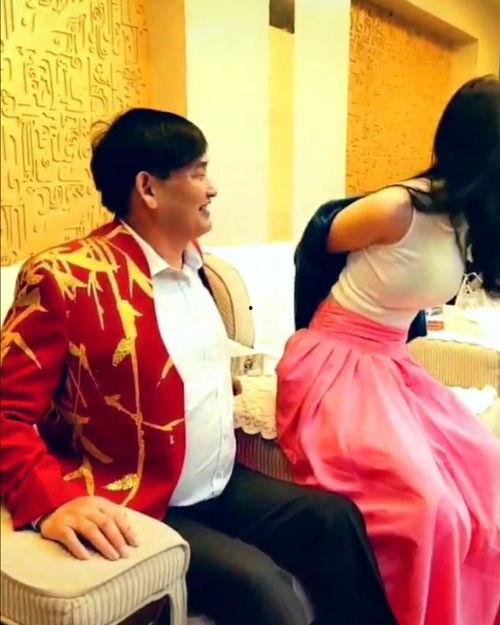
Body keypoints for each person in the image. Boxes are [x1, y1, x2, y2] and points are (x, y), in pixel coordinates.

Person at [0, 108, 398, 625]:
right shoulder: (67, 278)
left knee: (335, 520)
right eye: (198, 172)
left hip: (217, 484)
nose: (212, 189)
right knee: (268, 593)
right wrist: (52, 502)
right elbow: (6, 411)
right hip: (137, 499)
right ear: (148, 187)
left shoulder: (196, 267)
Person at [276, 75, 500, 625]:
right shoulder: (399, 206)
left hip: (392, 362)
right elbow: (314, 248)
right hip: (335, 359)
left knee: (489, 469)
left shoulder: (468, 216)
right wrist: (306, 339)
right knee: (430, 506)